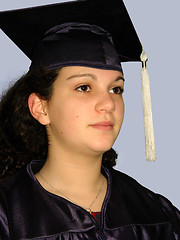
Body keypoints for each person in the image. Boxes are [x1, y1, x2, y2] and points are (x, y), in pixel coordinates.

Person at [0, 0, 180, 239]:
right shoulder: (7, 217)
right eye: (84, 87)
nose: (108, 104)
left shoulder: (157, 213)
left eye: (116, 89)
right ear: (40, 108)